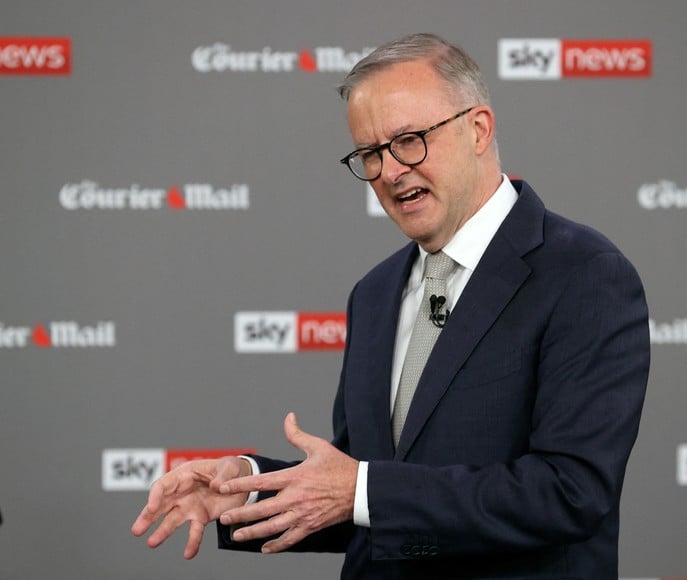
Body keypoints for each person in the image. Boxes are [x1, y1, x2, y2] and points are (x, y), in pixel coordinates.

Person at [131, 32, 650, 579]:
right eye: (370, 153)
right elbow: (361, 496)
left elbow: (570, 494)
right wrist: (246, 491)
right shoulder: (375, 293)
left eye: (408, 140)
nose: (391, 171)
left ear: (478, 129)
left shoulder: (584, 275)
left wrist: (360, 489)